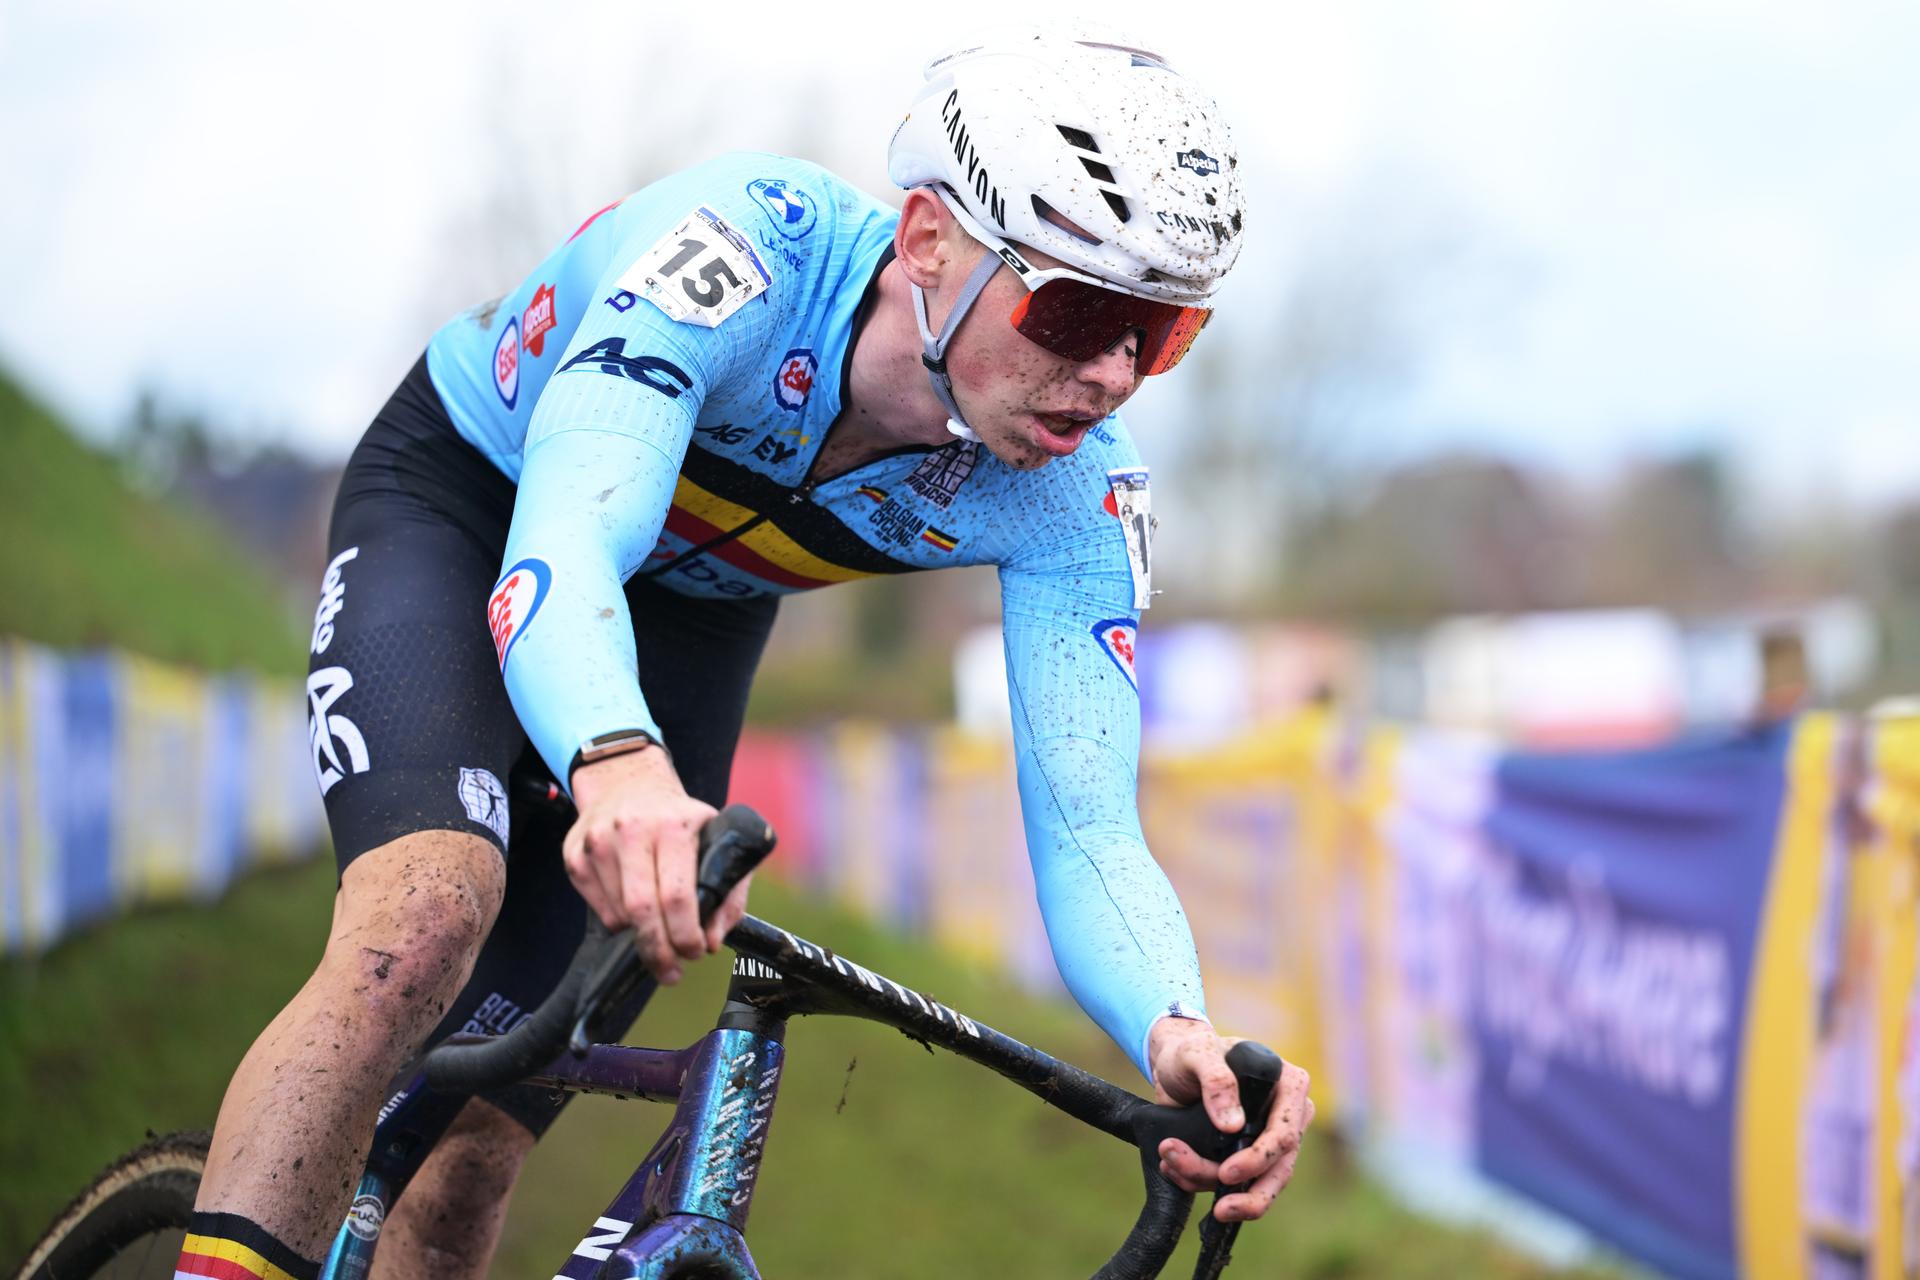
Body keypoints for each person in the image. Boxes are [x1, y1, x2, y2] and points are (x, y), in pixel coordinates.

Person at [178, 28, 1313, 1280]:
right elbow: (560, 555)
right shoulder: (740, 255)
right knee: (429, 914)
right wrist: (618, 768)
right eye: (1081, 308)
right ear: (929, 239)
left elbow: (1093, 823)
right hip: (478, 511)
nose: (1109, 376)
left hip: (691, 617)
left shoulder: (1073, 495)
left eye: (1161, 334)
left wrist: (1181, 1028)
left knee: (484, 1141)